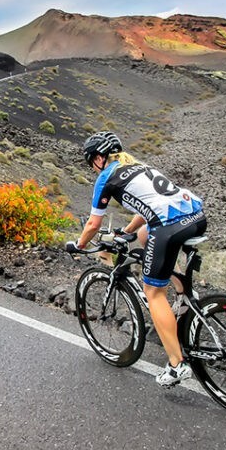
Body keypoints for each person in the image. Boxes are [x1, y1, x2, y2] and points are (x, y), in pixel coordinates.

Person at [66, 131, 207, 388]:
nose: (92, 167)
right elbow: (146, 208)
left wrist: (79, 245)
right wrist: (127, 231)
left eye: (91, 161)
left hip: (171, 225)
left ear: (99, 158)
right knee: (144, 235)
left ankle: (177, 364)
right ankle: (184, 294)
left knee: (152, 292)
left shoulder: (106, 177)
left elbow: (94, 223)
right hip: (195, 216)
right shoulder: (136, 165)